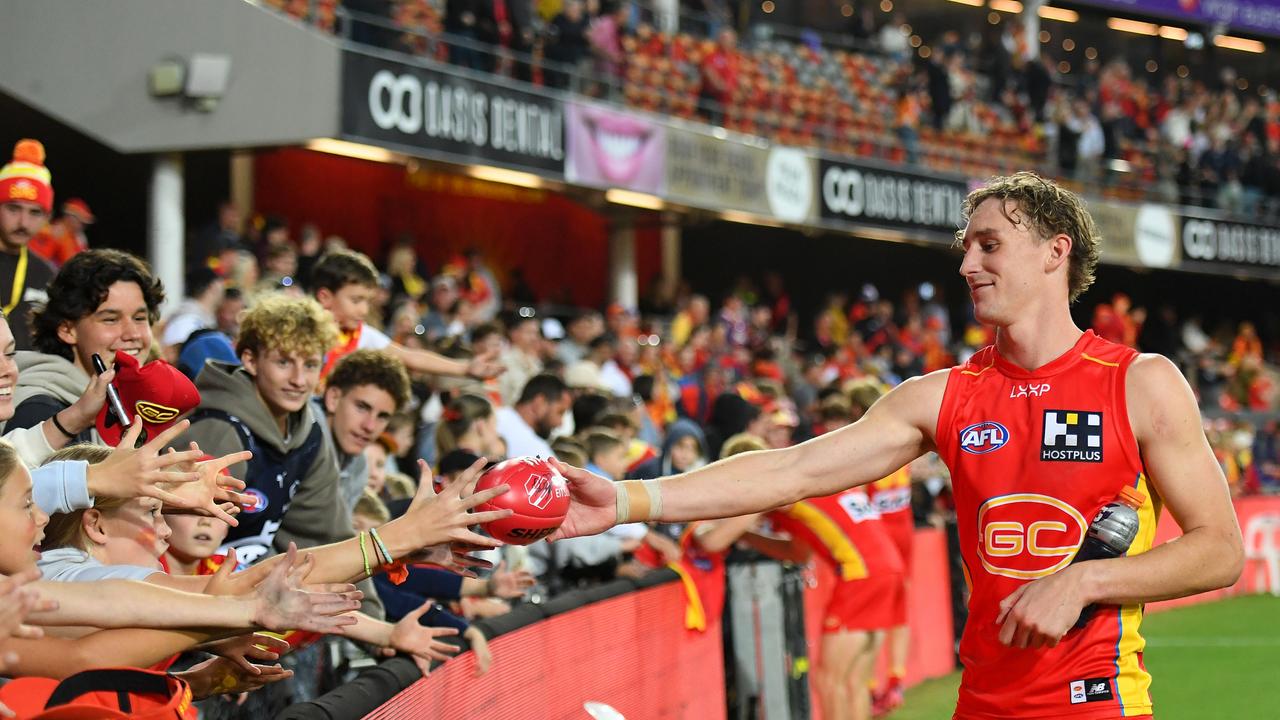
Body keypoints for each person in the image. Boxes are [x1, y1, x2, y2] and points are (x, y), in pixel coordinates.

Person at [552, 172, 1244, 720]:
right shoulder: (941, 395)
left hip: (1101, 707)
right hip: (981, 705)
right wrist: (625, 499)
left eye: (989, 244)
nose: (968, 262)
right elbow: (793, 469)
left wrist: (1087, 579)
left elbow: (1219, 548)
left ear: (1055, 250)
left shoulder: (1140, 383)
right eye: (965, 247)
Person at [309, 250, 502, 383]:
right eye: (356, 300)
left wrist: (465, 368)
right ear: (325, 297)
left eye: (367, 301)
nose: (364, 310)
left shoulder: (361, 335)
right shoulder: (297, 332)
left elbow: (411, 357)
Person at [0, 140, 58, 349]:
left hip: (24, 377)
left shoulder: (45, 273)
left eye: (35, 212)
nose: (23, 223)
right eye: (13, 209)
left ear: (47, 217)